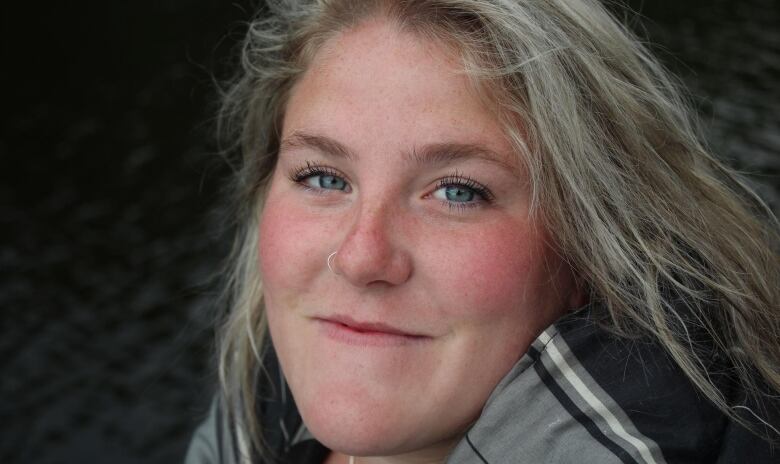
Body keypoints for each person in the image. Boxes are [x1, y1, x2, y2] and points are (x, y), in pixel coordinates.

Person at [186, 0, 780, 462]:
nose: (361, 257)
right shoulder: (255, 414)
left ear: (592, 248)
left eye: (457, 191)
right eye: (323, 178)